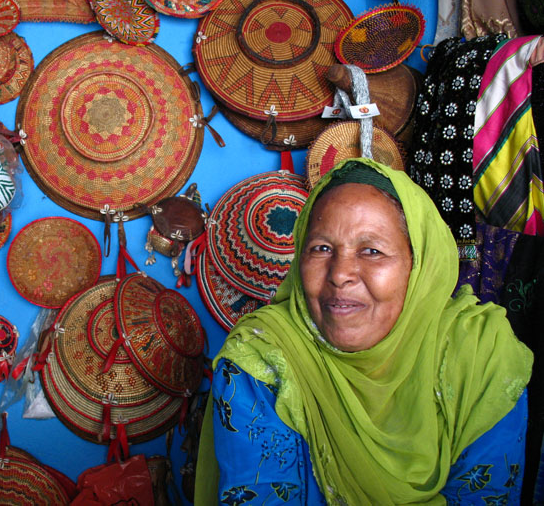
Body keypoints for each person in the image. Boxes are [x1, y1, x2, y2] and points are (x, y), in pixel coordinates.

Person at [194, 159, 533, 505]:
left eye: (371, 251)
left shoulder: (481, 353)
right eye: (321, 248)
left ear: (419, 266)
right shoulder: (260, 360)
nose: (340, 274)